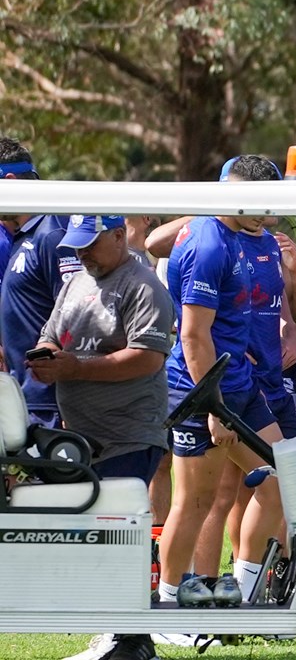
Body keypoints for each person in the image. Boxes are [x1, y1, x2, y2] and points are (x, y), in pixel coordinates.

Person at [29, 214, 175, 660]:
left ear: (119, 236)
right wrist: (48, 355)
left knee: (120, 535)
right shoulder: (76, 282)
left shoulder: (144, 285)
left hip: (129, 431)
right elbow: (51, 335)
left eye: (90, 244)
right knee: (97, 535)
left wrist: (75, 368)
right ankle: (117, 632)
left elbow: (147, 358)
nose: (81, 253)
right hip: (81, 436)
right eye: (76, 245)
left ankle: (134, 640)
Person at [158, 182, 284, 609]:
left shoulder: (243, 237)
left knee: (280, 481)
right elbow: (193, 337)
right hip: (202, 395)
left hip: (240, 384)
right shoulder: (209, 244)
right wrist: (214, 409)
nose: (264, 214)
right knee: (194, 503)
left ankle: (244, 593)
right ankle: (169, 605)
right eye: (256, 204)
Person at [0, 137, 83, 427]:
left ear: (8, 182)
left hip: (51, 405)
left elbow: (76, 314)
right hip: (27, 398)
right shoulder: (23, 234)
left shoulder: (51, 233)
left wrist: (67, 405)